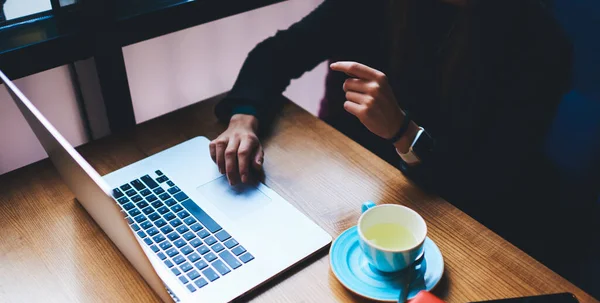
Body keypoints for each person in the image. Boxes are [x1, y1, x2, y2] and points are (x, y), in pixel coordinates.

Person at [211, 0, 574, 266]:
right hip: (351, 193)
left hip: (458, 216)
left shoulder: (539, 42)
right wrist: (244, 116)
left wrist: (404, 132)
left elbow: (489, 181)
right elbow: (276, 53)